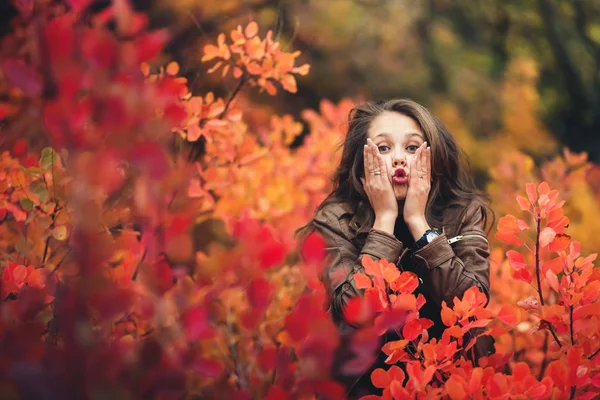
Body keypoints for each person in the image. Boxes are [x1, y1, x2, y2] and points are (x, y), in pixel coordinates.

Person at [296, 99, 495, 398]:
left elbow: (473, 301)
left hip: (450, 384)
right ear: (362, 164)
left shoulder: (462, 213)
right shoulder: (336, 218)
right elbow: (353, 310)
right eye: (384, 148)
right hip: (362, 388)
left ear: (434, 159)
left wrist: (419, 224)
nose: (399, 158)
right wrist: (384, 220)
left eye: (413, 148)